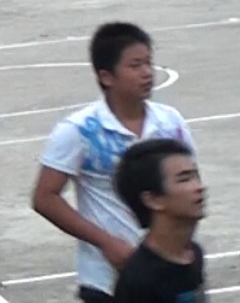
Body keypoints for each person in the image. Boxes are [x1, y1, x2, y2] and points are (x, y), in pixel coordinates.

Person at [31, 22, 195, 303]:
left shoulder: (171, 123)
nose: (147, 73)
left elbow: (189, 186)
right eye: (135, 65)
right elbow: (45, 198)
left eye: (148, 63)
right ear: (106, 76)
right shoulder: (80, 130)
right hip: (107, 281)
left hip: (165, 275)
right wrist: (107, 243)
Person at [111, 139, 207, 302]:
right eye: (184, 179)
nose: (199, 187)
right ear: (153, 200)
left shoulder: (193, 254)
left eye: (196, 176)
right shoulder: (139, 280)